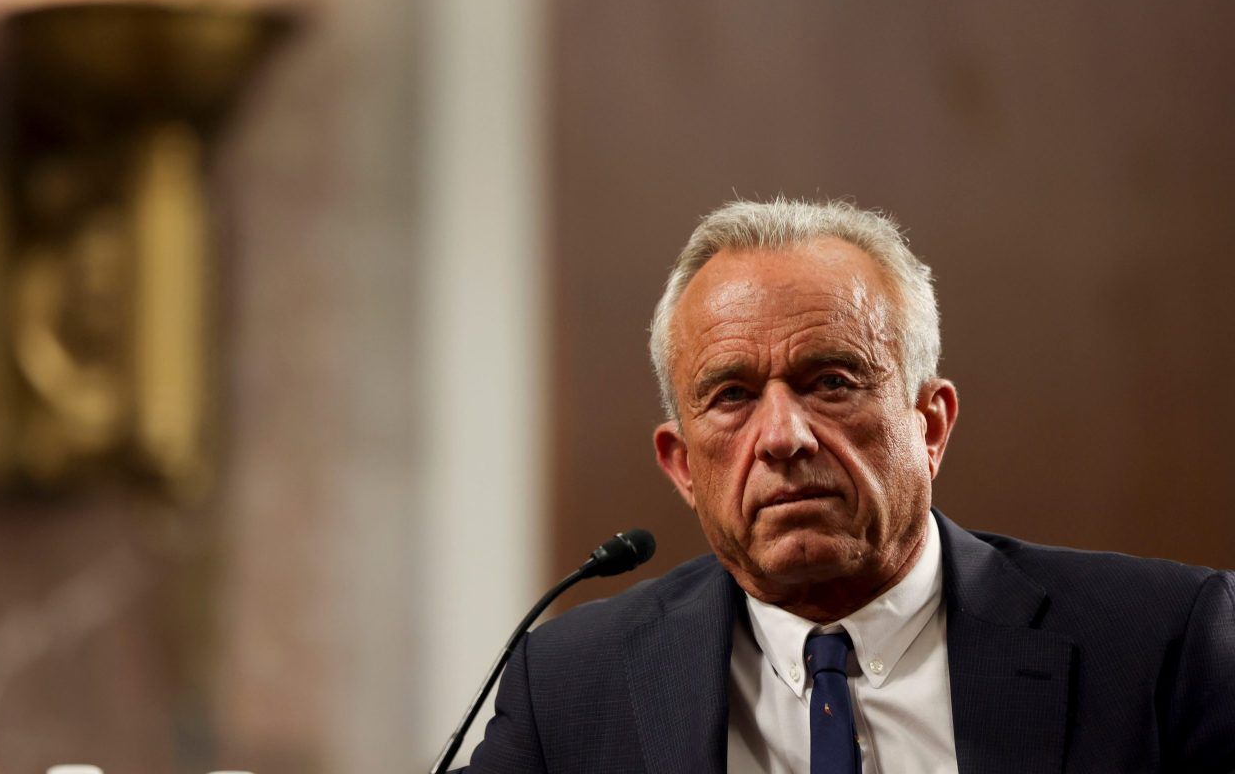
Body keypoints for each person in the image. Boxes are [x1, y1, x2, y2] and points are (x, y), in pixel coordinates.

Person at [462, 198, 1235, 773]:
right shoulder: (571, 686)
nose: (784, 437)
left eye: (831, 381)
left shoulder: (1161, 647)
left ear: (929, 426)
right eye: (731, 396)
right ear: (682, 466)